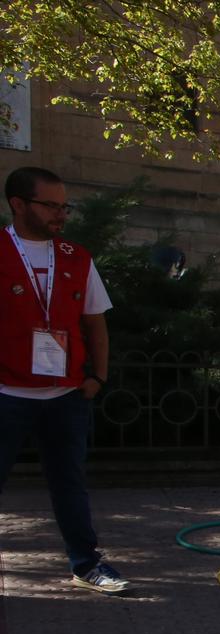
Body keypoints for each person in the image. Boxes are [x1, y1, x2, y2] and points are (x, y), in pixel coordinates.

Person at [0, 166, 128, 594]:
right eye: (51, 205)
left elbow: (95, 323)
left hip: (66, 396)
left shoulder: (77, 256)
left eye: (65, 206)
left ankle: (87, 565)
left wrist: (98, 376)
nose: (61, 214)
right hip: (7, 395)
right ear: (19, 204)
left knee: (70, 484)